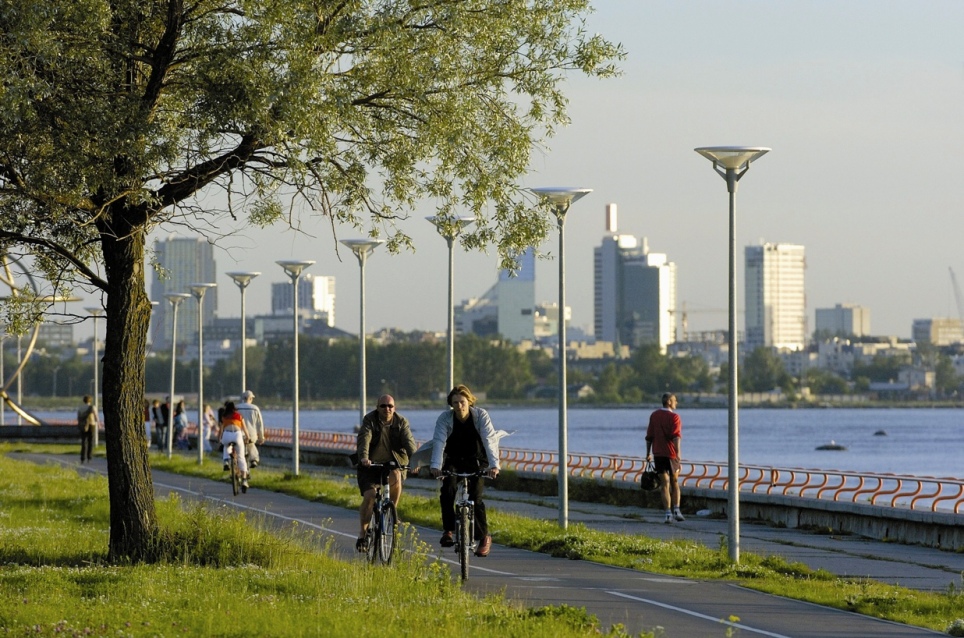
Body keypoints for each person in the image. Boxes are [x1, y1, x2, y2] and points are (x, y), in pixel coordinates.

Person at [430, 384, 501, 558]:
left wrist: (494, 465)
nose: (459, 406)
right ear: (451, 404)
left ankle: (484, 537)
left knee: (475, 497)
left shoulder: (480, 416)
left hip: (476, 459)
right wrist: (435, 466)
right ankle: (448, 530)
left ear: (469, 401)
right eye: (455, 403)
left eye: (462, 402)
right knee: (447, 491)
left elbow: (489, 439)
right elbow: (439, 441)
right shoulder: (445, 418)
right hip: (453, 460)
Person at [354, 395, 417, 552]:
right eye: (383, 406)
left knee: (396, 475)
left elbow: (409, 442)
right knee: (369, 496)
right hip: (370, 465)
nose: (387, 409)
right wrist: (364, 458)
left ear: (394, 408)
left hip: (393, 463)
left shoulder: (401, 422)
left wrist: (415, 460)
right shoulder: (369, 420)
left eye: (390, 406)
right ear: (377, 407)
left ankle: (392, 511)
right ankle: (363, 533)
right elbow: (364, 439)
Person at [645, 392, 684, 524]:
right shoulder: (675, 417)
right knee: (675, 483)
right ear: (669, 402)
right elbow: (676, 436)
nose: (676, 403)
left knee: (664, 484)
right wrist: (678, 454)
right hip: (671, 454)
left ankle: (667, 513)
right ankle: (677, 510)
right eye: (675, 400)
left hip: (658, 454)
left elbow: (649, 436)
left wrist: (647, 453)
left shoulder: (654, 415)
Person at [218, 400, 249, 491]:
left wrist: (220, 439)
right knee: (241, 457)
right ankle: (244, 480)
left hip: (227, 434)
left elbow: (221, 430)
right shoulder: (239, 416)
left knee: (226, 446)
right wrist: (247, 437)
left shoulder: (224, 416)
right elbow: (245, 428)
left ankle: (226, 461)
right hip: (237, 435)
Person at [236, 390, 265, 469]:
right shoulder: (255, 409)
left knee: (237, 450)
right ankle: (254, 460)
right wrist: (261, 437)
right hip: (251, 434)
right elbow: (260, 424)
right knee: (251, 446)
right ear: (250, 398)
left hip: (238, 434)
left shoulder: (237, 407)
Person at [77, 395, 97, 463]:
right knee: (90, 441)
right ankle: (89, 457)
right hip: (91, 424)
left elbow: (78, 417)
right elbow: (96, 417)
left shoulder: (80, 408)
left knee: (84, 441)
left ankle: (82, 457)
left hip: (83, 426)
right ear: (90, 400)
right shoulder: (92, 407)